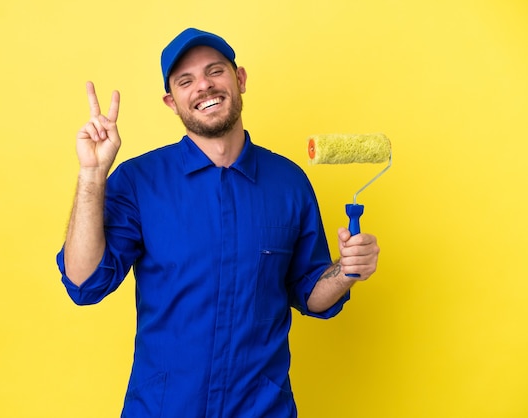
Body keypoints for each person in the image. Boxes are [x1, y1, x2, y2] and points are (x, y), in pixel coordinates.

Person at [57, 27, 380, 417]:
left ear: (239, 79)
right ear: (171, 101)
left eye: (215, 71)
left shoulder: (289, 183)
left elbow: (309, 292)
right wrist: (92, 173)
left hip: (261, 408)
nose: (203, 87)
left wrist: (346, 272)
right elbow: (83, 283)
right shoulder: (138, 181)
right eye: (186, 81)